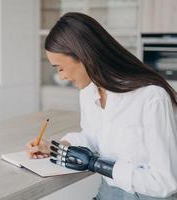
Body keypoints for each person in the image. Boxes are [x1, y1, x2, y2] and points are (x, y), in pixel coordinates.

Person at [25, 12, 177, 200]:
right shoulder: (89, 93)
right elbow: (93, 136)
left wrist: (97, 165)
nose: (61, 76)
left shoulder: (151, 97)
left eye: (60, 68)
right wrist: (57, 147)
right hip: (107, 194)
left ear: (83, 56)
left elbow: (165, 182)